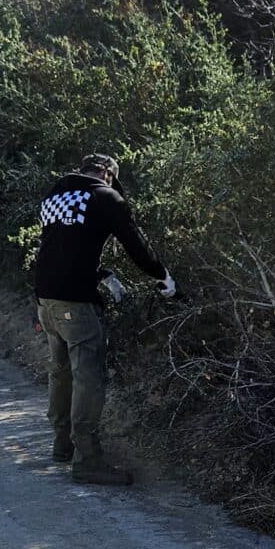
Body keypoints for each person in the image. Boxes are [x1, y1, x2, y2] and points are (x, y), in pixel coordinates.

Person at [32, 152, 176, 485]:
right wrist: (162, 275)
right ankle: (88, 459)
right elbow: (136, 245)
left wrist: (100, 274)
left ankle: (62, 442)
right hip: (74, 304)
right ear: (108, 175)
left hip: (45, 298)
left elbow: (64, 246)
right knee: (89, 376)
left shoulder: (56, 193)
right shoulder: (105, 196)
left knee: (61, 371)